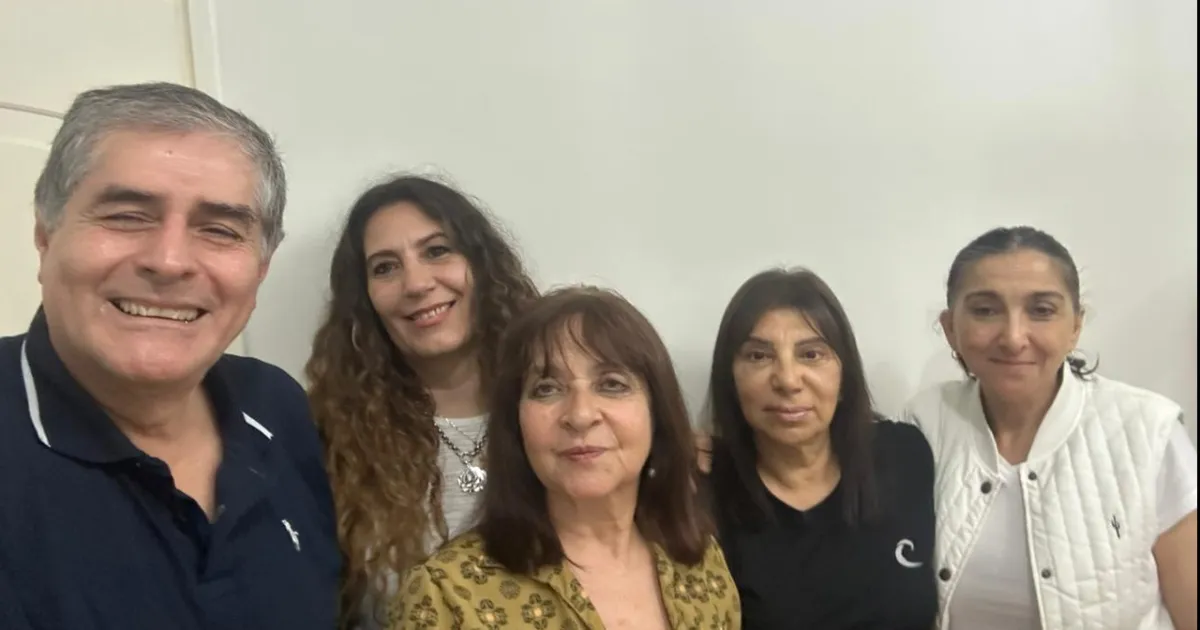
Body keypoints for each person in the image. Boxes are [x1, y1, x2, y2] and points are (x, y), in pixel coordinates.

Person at [0, 82, 340, 629]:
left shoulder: (276, 405)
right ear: (45, 235)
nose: (169, 261)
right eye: (127, 216)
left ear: (260, 270)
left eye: (219, 230)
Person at [389, 286, 741, 630]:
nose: (581, 415)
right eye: (547, 389)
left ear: (657, 413)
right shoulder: (445, 594)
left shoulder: (699, 563)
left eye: (612, 384)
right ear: (515, 425)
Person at [903, 226, 1197, 630]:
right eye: (985, 310)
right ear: (951, 328)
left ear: (1075, 326)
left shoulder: (1147, 430)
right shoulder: (926, 422)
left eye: (1041, 310)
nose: (1013, 337)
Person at [305, 174, 539, 628]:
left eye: (436, 251)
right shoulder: (330, 440)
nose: (415, 283)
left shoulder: (557, 412)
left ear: (482, 265)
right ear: (364, 299)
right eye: (385, 268)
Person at [701, 268, 937, 629]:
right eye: (758, 356)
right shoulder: (702, 495)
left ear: (844, 377)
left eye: (811, 354)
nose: (788, 380)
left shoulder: (905, 455)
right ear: (730, 379)